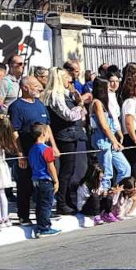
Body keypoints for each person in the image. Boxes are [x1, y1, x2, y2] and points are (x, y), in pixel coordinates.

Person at [44, 67, 89, 215]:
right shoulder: (55, 96)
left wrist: (78, 104)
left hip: (73, 134)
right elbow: (69, 115)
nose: (69, 80)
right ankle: (61, 203)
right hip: (64, 136)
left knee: (70, 170)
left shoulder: (66, 95)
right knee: (65, 171)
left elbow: (81, 116)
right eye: (66, 78)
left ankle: (68, 200)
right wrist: (80, 105)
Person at [8, 76, 50, 225]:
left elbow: (47, 127)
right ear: (25, 88)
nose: (39, 88)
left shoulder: (40, 104)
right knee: (24, 185)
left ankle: (43, 216)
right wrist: (20, 153)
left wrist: (54, 148)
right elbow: (14, 132)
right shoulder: (16, 107)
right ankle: (23, 216)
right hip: (27, 152)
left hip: (43, 153)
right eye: (35, 86)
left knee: (44, 184)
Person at [89, 76, 130, 191]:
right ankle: (104, 198)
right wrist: (114, 141)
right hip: (103, 140)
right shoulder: (97, 103)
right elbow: (104, 126)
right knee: (107, 173)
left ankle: (116, 192)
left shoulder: (104, 103)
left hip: (110, 140)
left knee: (125, 168)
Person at [28, 124, 60, 237]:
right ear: (43, 134)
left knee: (39, 204)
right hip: (45, 180)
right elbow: (50, 166)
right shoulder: (46, 149)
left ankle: (40, 225)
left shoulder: (32, 149)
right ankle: (44, 227)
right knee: (46, 204)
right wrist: (56, 180)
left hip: (35, 179)